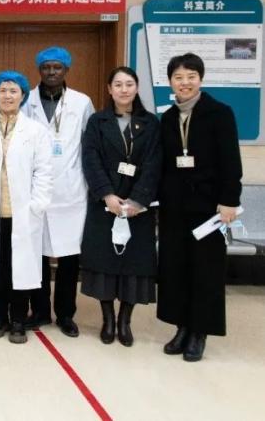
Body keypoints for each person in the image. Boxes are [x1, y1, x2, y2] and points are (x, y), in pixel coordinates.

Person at [157, 53, 242, 362]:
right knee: (176, 268)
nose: (185, 83)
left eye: (191, 77)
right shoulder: (168, 117)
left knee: (205, 270)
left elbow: (231, 161)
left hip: (209, 208)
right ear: (170, 82)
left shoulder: (219, 113)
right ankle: (182, 327)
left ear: (200, 79)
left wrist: (230, 200)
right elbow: (164, 164)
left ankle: (199, 332)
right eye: (178, 78)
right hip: (174, 207)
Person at [80, 67, 161, 346]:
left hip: (138, 207)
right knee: (103, 262)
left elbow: (154, 163)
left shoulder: (151, 123)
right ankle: (108, 319)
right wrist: (107, 195)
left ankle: (125, 320)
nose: (124, 89)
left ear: (136, 88)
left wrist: (138, 199)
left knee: (134, 265)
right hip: (105, 203)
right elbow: (90, 159)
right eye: (118, 84)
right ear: (109, 89)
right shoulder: (97, 122)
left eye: (129, 84)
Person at [0, 71, 53, 345]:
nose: (7, 96)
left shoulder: (36, 131)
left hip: (23, 213)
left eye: (13, 91)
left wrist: (37, 204)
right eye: (3, 90)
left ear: (23, 95)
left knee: (20, 268)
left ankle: (18, 319)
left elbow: (44, 172)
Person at [22, 46, 94, 337]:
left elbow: (90, 144)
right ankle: (40, 311)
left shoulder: (81, 102)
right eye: (46, 67)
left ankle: (65, 314)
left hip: (71, 191)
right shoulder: (26, 101)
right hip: (35, 189)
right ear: (39, 70)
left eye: (57, 67)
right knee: (36, 254)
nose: (52, 72)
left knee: (68, 258)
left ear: (66, 70)